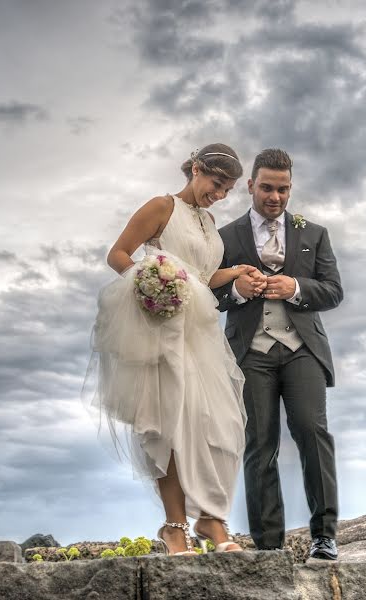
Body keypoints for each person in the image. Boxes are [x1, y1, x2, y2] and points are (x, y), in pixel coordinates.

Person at [87, 143, 262, 555]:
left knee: (219, 424)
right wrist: (152, 282)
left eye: (227, 190)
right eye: (216, 184)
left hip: (201, 336)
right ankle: (175, 528)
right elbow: (118, 254)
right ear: (196, 169)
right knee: (168, 426)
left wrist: (234, 271)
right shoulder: (162, 206)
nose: (218, 195)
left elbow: (200, 276)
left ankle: (211, 519)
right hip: (161, 333)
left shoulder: (209, 220)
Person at [214, 148, 344, 560]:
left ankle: (325, 536)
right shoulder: (226, 235)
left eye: (283, 189)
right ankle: (269, 546)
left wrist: (297, 290)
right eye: (267, 188)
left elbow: (334, 291)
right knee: (259, 443)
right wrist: (237, 291)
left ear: (291, 188)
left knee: (312, 432)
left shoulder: (313, 232)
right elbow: (211, 294)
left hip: (301, 348)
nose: (275, 197)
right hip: (250, 354)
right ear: (251, 185)